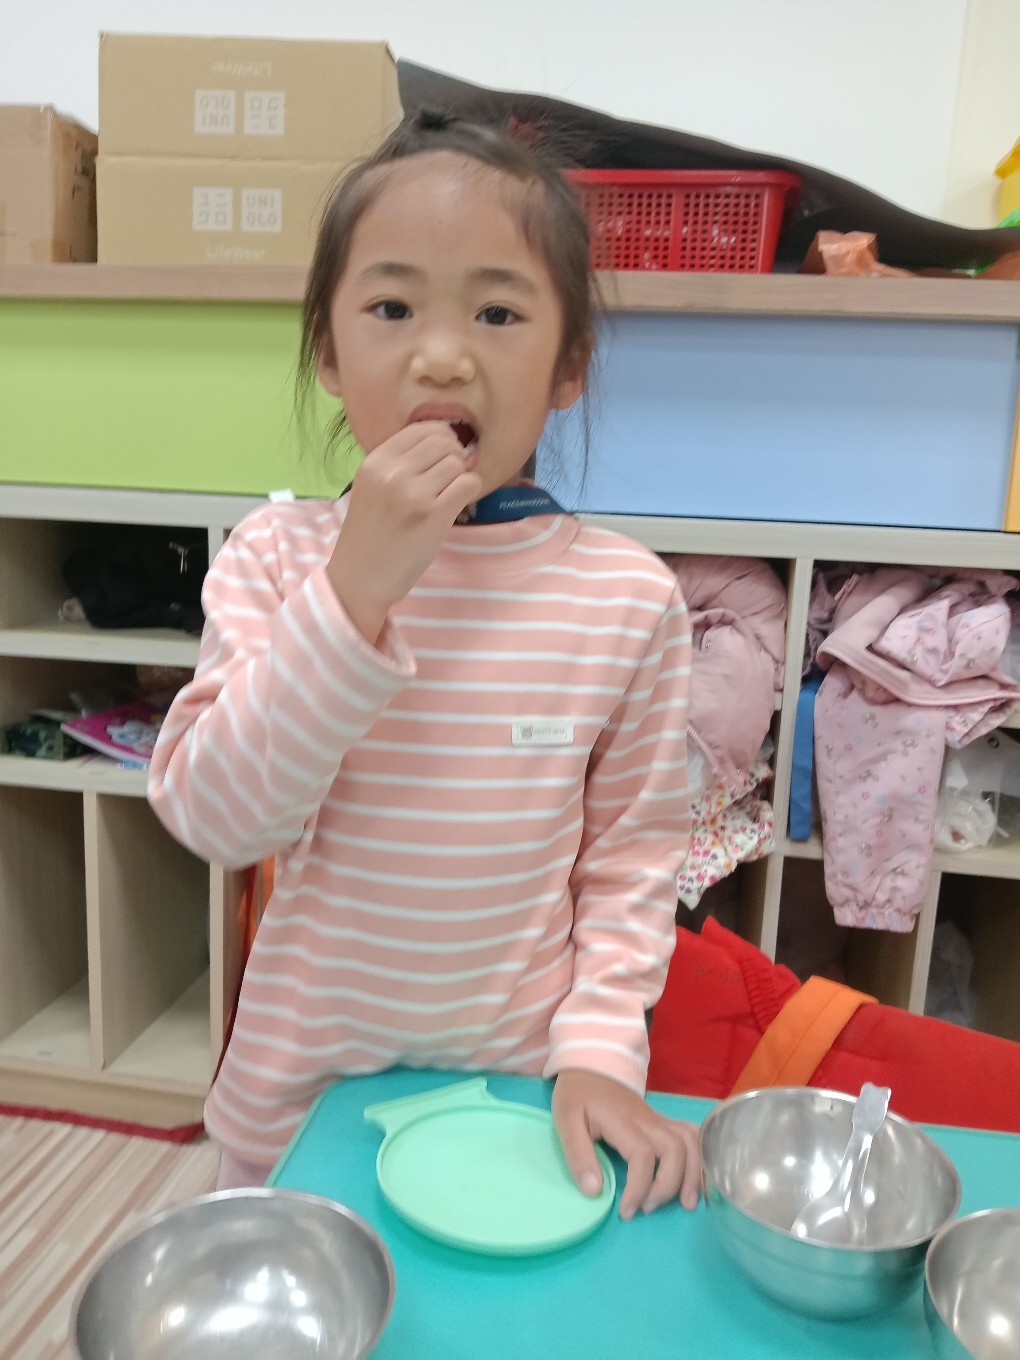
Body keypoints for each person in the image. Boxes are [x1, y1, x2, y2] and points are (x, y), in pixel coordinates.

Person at [148, 110, 699, 1220]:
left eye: (498, 312)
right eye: (392, 308)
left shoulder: (627, 598)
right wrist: (353, 590)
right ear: (328, 352)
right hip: (299, 1103)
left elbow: (631, 860)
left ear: (568, 366)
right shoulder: (278, 556)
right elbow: (217, 818)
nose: (443, 355)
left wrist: (602, 1051)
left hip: (516, 1099)